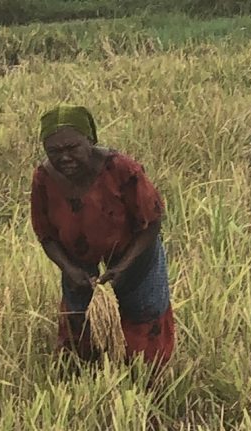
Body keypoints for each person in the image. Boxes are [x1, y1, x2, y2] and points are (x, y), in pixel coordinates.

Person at [29, 104, 175, 366]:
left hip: (133, 253)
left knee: (144, 318)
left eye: (72, 147)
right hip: (78, 261)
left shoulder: (122, 170)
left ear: (90, 140)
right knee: (79, 325)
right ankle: (86, 379)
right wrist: (70, 269)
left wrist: (122, 266)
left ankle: (143, 386)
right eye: (54, 151)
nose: (64, 157)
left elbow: (152, 223)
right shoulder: (44, 179)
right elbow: (46, 235)